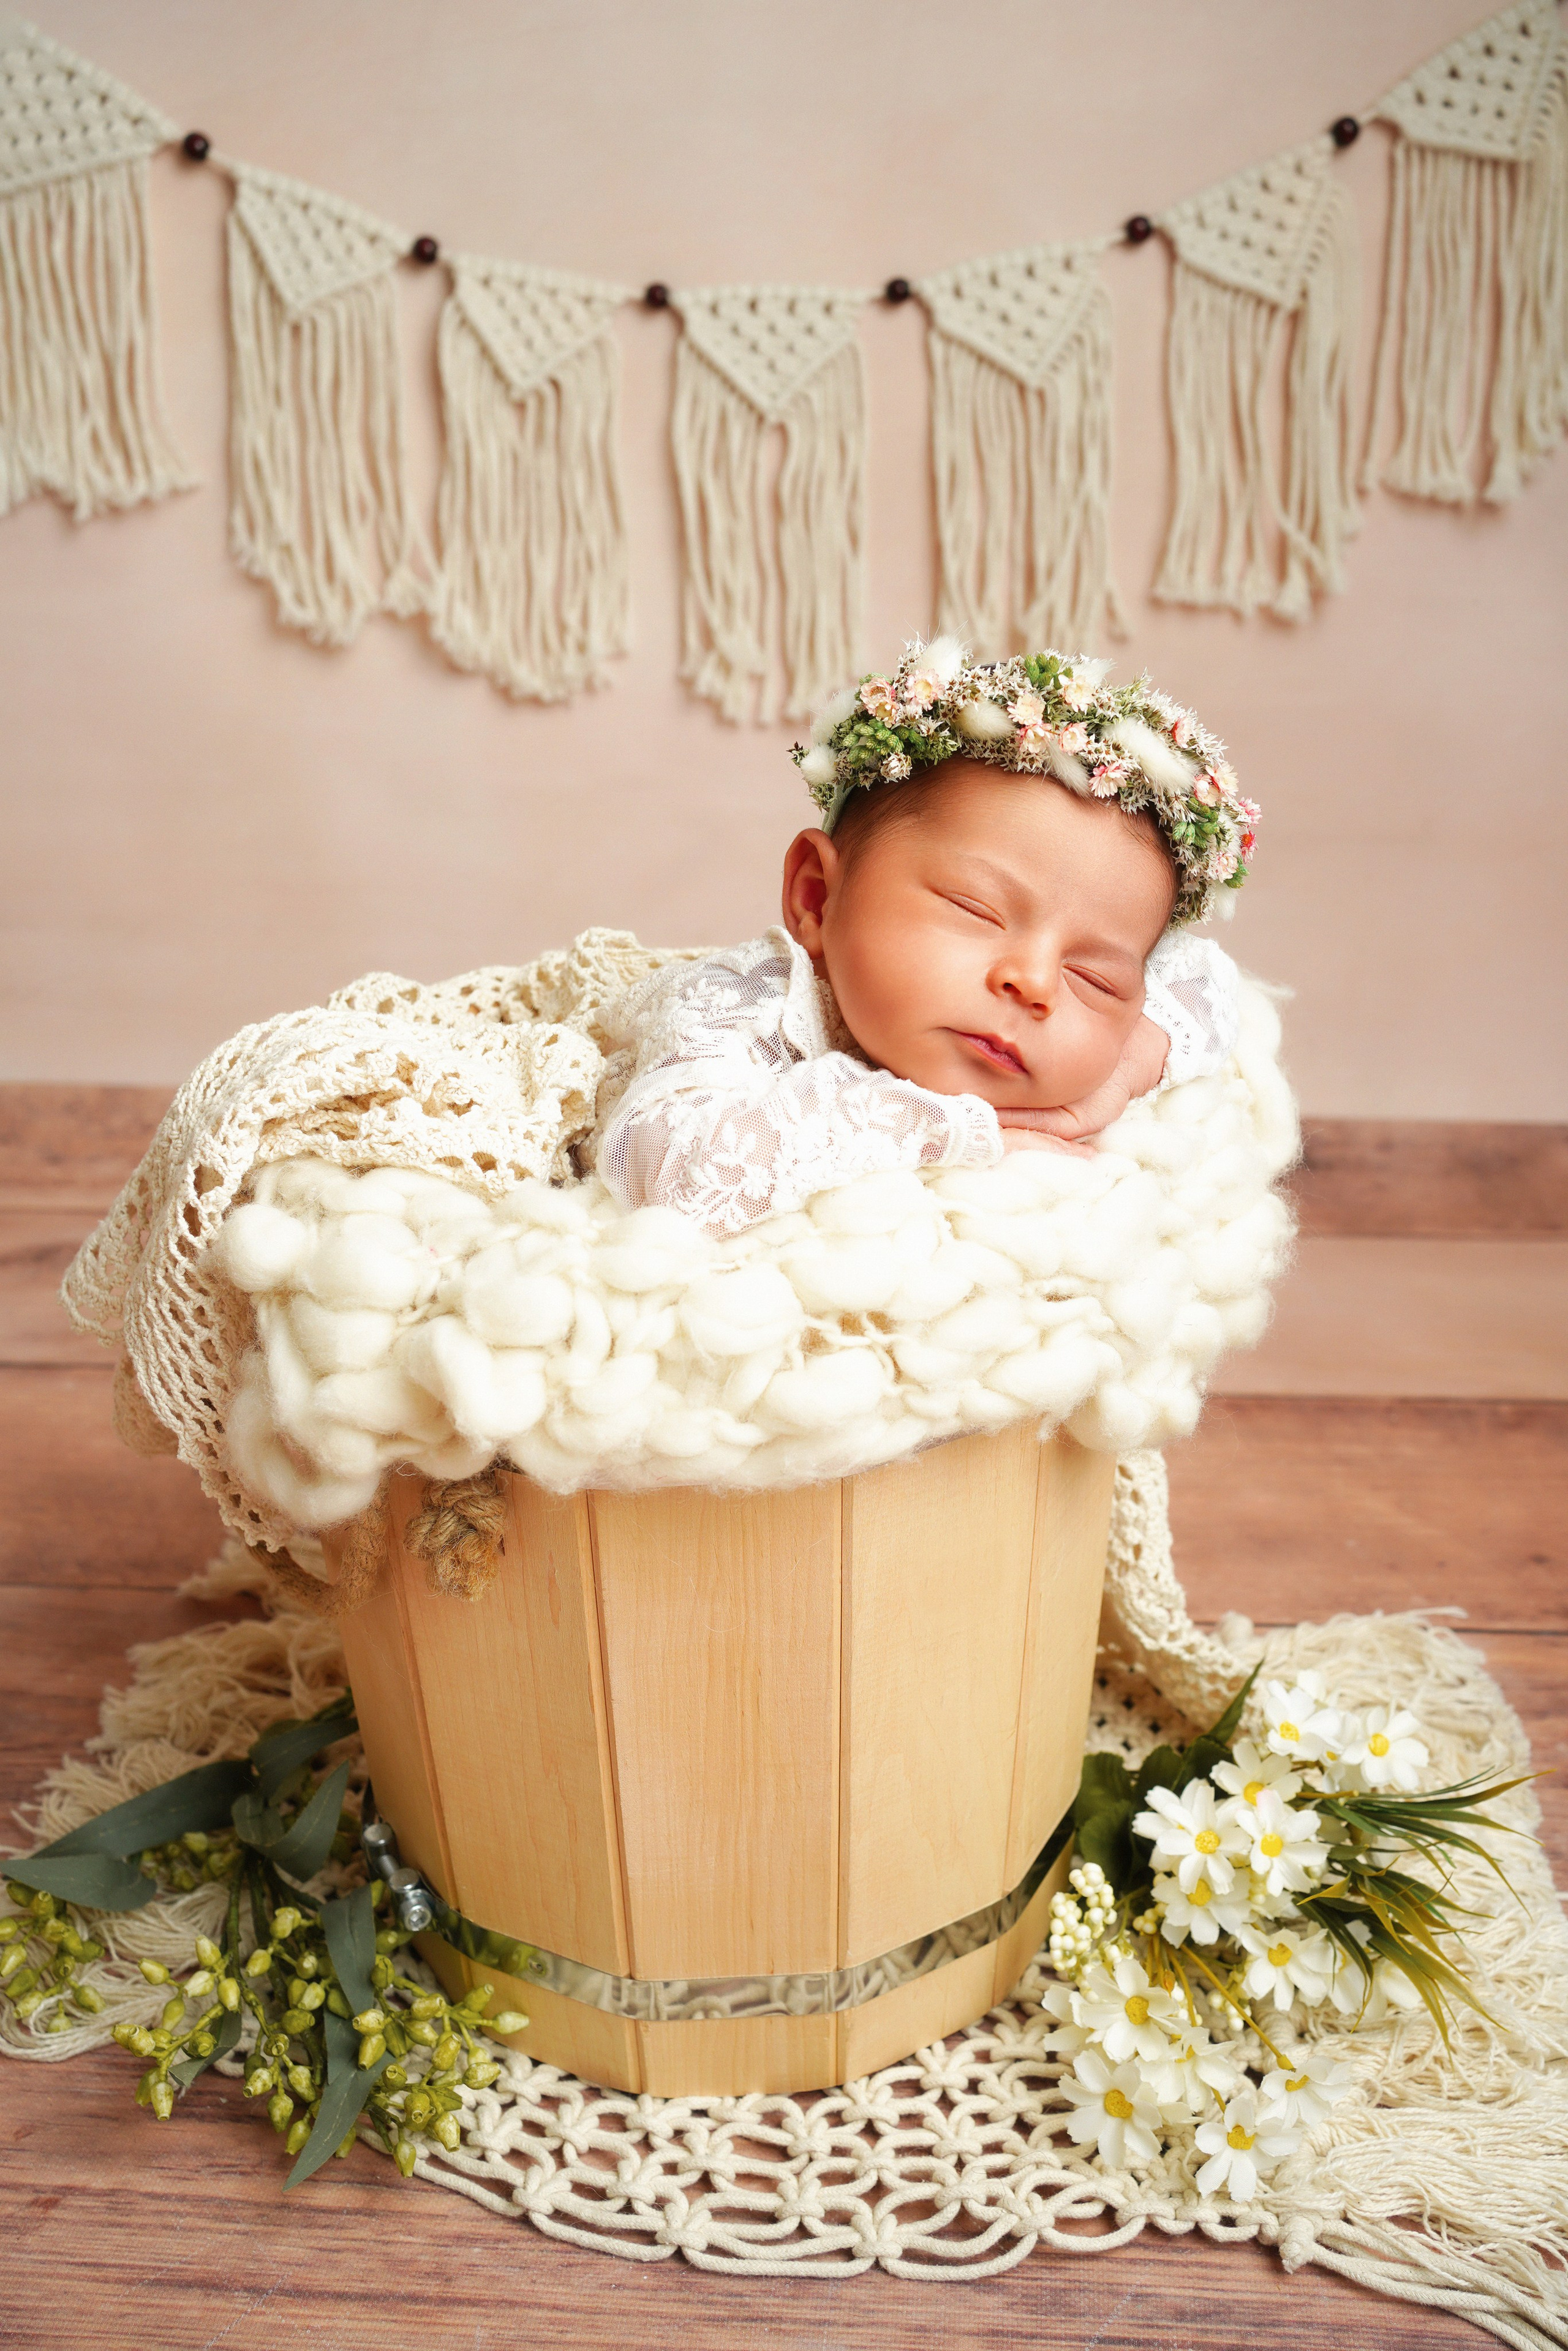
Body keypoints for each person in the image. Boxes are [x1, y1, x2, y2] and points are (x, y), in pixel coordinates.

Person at [595, 638, 1259, 1239]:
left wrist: (1122, 1070)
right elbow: (664, 1167)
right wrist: (952, 1130)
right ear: (816, 898)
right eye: (976, 910)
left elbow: (1206, 978)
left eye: (1095, 979)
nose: (1033, 982)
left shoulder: (1128, 1009)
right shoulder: (749, 1004)